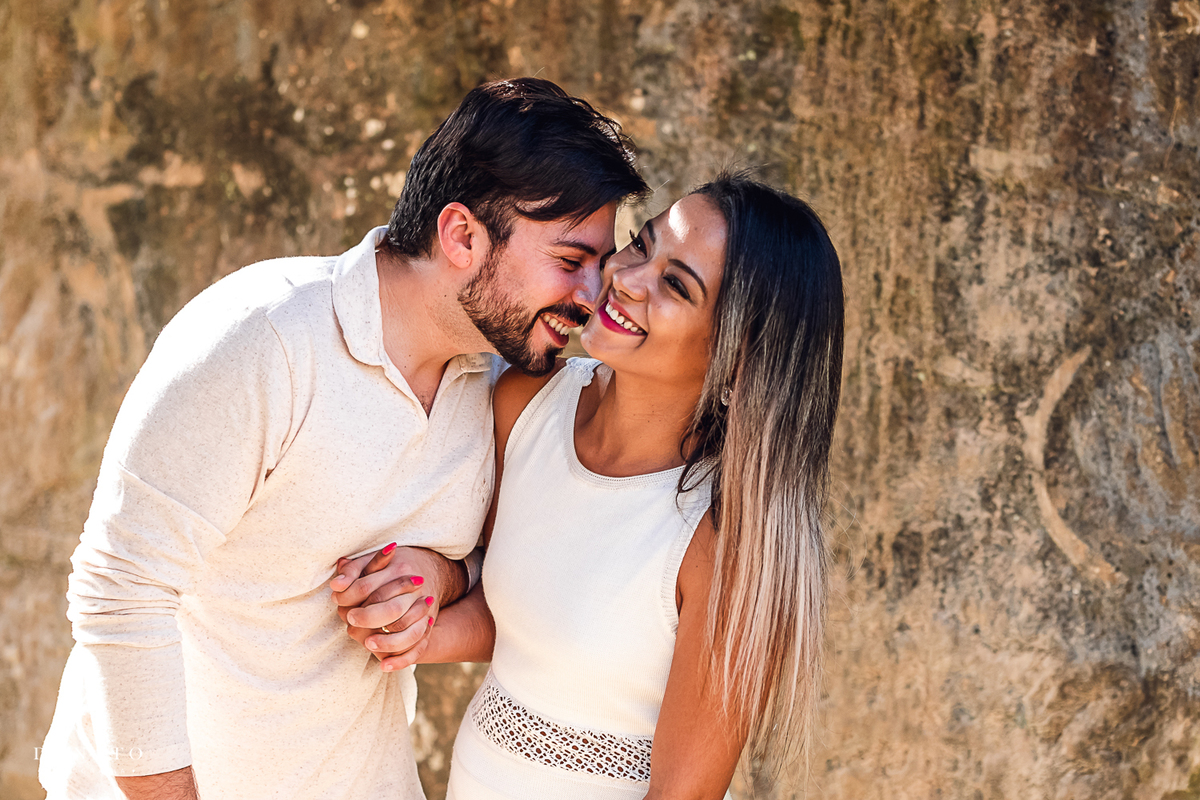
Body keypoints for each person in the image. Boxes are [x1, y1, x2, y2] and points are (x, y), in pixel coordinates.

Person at [38, 77, 648, 800]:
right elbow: (121, 590)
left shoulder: (494, 389)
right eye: (571, 260)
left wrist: (442, 572)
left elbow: (517, 573)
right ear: (461, 237)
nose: (591, 295)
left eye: (600, 267)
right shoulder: (260, 338)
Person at [335, 174, 845, 798]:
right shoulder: (525, 402)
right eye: (641, 244)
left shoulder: (724, 540)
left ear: (738, 353)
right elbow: (517, 613)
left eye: (676, 285)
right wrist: (410, 623)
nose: (627, 278)